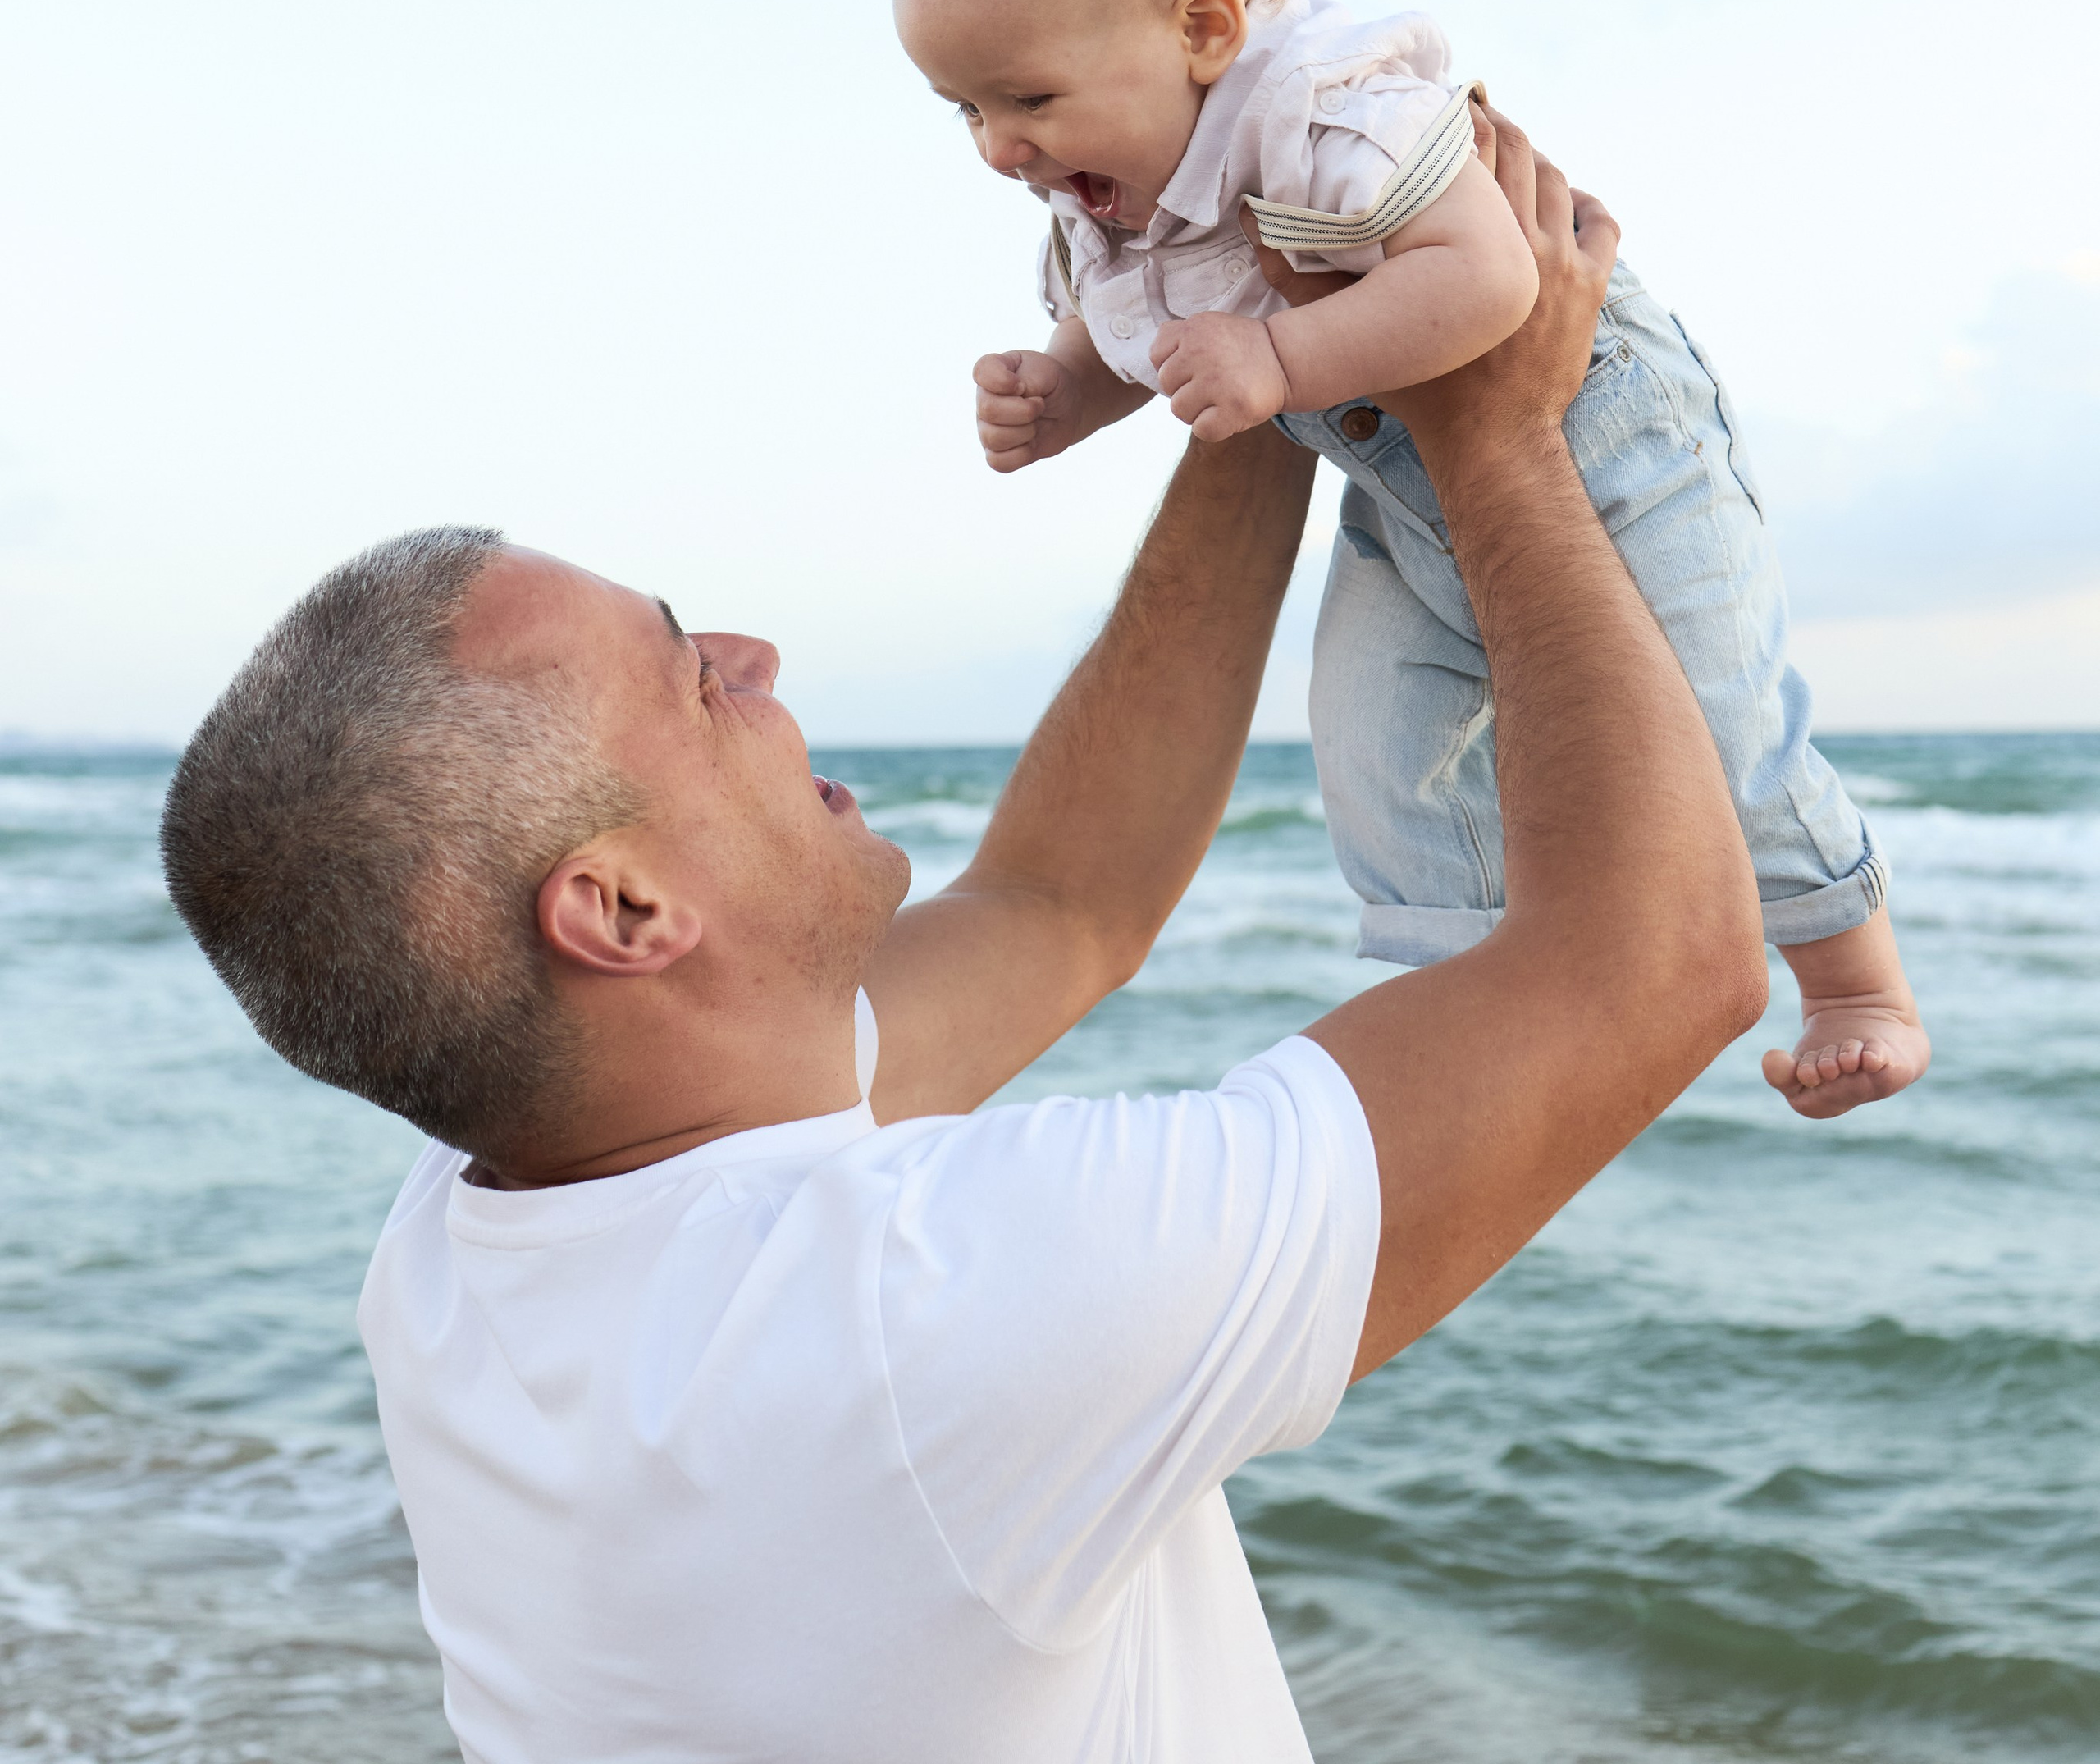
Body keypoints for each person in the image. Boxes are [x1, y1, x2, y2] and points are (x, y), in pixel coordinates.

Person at [162, 120, 1769, 1764]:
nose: (750, 649)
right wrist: (1496, 442)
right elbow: (1662, 965)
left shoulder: (474, 1235)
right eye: (684, 670)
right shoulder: (924, 1326)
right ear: (624, 911)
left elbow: (1062, 901)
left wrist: (1262, 363)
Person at [894, 0, 1929, 1118]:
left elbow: (1495, 283)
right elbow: (1126, 318)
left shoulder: (1325, 106)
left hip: (1597, 414)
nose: (995, 147)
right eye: (964, 109)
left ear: (1206, 25)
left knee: (1711, 706)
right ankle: (1481, 976)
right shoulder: (1113, 175)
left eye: (1024, 98)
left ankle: (1854, 975)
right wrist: (1064, 394)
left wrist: (1273, 352)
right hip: (1389, 458)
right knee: (1380, 737)